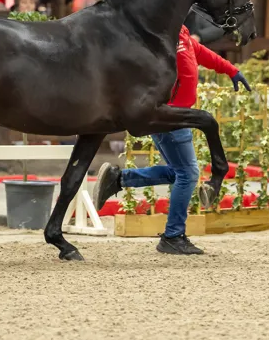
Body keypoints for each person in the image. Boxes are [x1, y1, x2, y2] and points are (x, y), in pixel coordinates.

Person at [92, 25, 251, 255]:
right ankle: (173, 236)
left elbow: (200, 52)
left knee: (180, 172)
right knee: (188, 174)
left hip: (178, 116)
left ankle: (118, 179)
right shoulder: (161, 36)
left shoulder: (180, 31)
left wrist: (231, 70)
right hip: (170, 116)